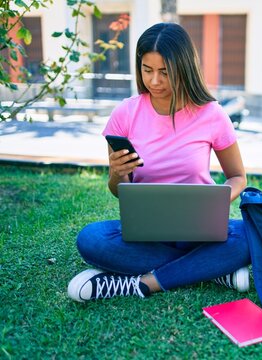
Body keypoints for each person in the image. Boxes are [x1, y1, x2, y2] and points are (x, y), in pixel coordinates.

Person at [67, 22, 250, 302]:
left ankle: (142, 283)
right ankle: (209, 268)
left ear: (184, 68)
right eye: (147, 70)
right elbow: (119, 190)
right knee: (90, 239)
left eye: (164, 72)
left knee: (250, 236)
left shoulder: (212, 114)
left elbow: (238, 177)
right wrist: (116, 174)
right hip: (147, 234)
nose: (154, 81)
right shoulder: (125, 114)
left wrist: (218, 200)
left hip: (199, 229)